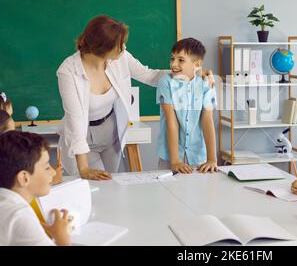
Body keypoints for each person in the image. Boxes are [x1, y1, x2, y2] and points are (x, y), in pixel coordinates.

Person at [57, 15, 214, 180]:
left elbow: (149, 75)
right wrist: (83, 168)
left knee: (111, 182)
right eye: (119, 45)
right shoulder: (68, 71)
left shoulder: (120, 57)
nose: (123, 48)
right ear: (103, 47)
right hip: (83, 135)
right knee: (93, 184)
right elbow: (75, 120)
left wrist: (190, 73)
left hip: (112, 132)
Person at [157, 38, 218, 173]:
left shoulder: (206, 83)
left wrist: (212, 159)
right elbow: (171, 122)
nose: (174, 64)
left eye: (181, 60)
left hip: (198, 158)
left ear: (196, 64)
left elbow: (207, 121)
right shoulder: (165, 83)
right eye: (172, 59)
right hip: (171, 157)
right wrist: (175, 161)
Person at [0, 131, 72, 246]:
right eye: (47, 167)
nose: (54, 172)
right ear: (24, 178)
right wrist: (62, 237)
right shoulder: (19, 216)